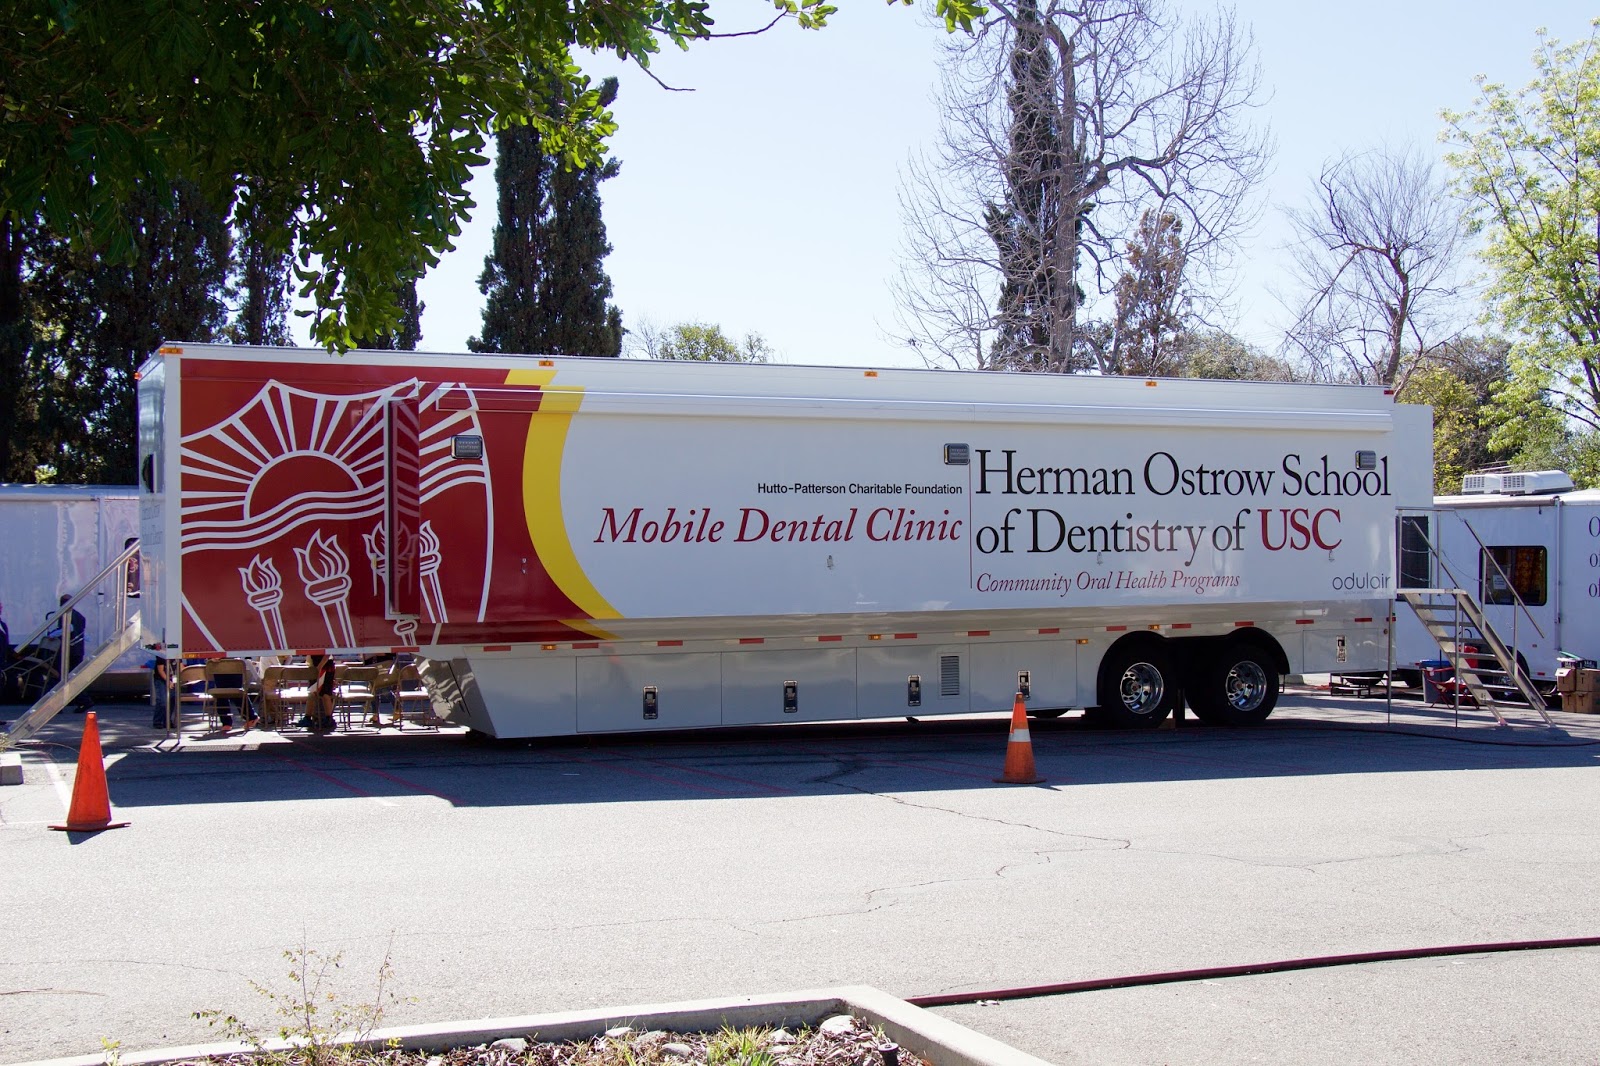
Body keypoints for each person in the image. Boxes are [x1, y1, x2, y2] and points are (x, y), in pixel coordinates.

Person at [49, 595, 92, 713]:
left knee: (61, 677)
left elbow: (67, 629)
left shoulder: (66, 615)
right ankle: (81, 701)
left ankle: (64, 704)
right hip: (77, 650)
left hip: (68, 651)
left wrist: (51, 635)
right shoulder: (80, 616)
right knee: (72, 677)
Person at [300, 653, 338, 733]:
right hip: (319, 666)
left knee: (322, 693)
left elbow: (328, 653)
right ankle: (326, 718)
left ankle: (325, 718)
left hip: (321, 668)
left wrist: (319, 667)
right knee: (316, 693)